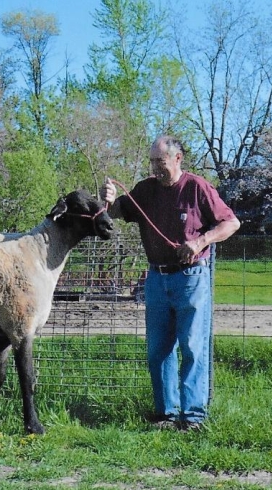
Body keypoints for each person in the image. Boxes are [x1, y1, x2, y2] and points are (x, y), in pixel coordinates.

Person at [100, 135, 240, 431]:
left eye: (160, 162)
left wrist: (200, 241)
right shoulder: (146, 190)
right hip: (156, 279)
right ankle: (166, 414)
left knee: (192, 347)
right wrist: (108, 200)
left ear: (178, 159)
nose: (155, 168)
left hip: (191, 278)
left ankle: (193, 417)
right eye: (152, 162)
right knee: (158, 350)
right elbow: (116, 212)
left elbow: (231, 223)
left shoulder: (197, 187)